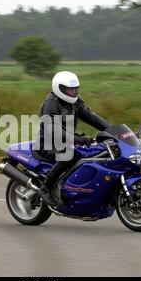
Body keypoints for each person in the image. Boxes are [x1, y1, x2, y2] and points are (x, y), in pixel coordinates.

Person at [36, 71, 111, 207]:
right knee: (69, 156)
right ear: (60, 88)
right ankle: (46, 187)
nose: (74, 93)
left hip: (67, 141)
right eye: (70, 90)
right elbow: (54, 130)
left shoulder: (76, 101)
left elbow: (91, 117)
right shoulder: (51, 104)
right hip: (48, 144)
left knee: (94, 153)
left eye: (76, 89)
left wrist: (112, 130)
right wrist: (77, 139)